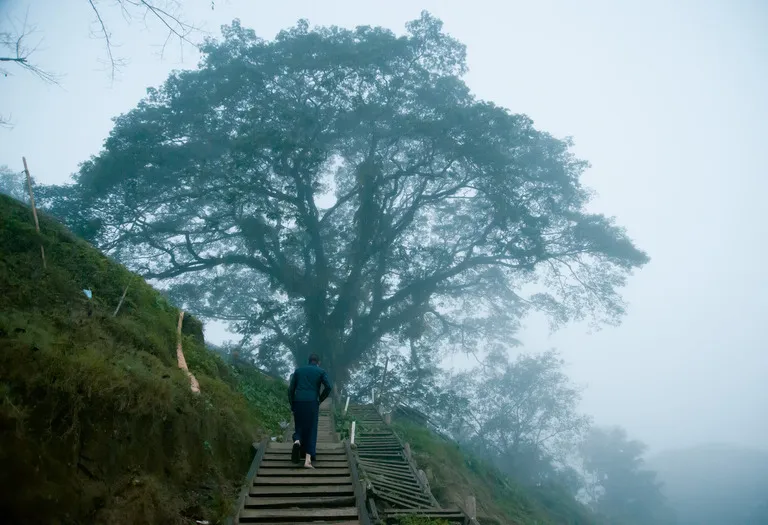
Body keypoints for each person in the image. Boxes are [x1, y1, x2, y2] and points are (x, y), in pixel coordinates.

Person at [288, 353, 333, 468]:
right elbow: (328, 387)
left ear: (308, 361)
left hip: (298, 401)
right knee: (311, 429)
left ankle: (297, 441)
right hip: (312, 402)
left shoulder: (298, 371)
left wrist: (292, 404)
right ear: (318, 362)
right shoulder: (320, 371)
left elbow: (290, 390)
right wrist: (320, 399)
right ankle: (307, 461)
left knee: (299, 426)